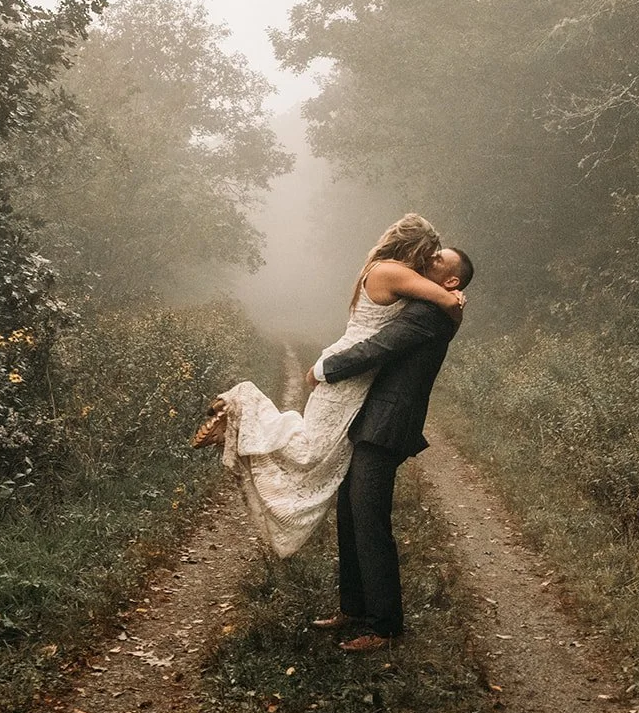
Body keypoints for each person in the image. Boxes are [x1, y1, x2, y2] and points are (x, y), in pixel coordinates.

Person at [192, 214, 465, 558]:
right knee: (309, 451)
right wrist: (455, 301)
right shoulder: (391, 271)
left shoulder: (388, 270)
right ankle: (241, 410)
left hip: (353, 374)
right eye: (430, 253)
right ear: (415, 247)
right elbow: (446, 300)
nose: (430, 259)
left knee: (313, 448)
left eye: (436, 259)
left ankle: (242, 418)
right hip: (347, 374)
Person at [307, 245, 473, 653]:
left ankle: (384, 626)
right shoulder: (431, 304)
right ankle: (353, 606)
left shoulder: (429, 314)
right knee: (349, 510)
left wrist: (323, 369)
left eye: (438, 261)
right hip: (372, 419)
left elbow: (376, 349)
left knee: (369, 519)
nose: (429, 259)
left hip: (387, 425)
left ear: (451, 280)